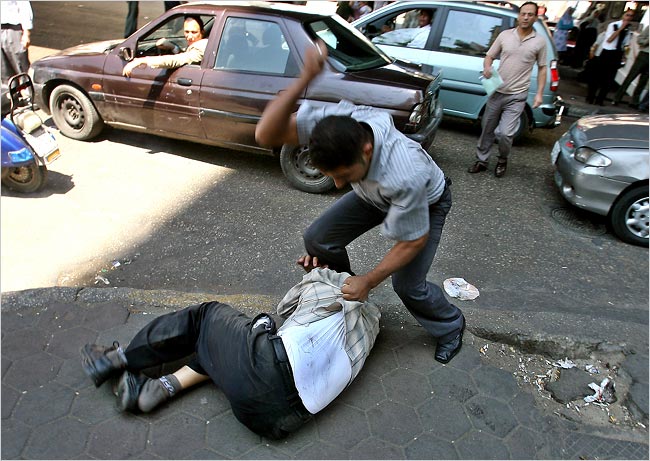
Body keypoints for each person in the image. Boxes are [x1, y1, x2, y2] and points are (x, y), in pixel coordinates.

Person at [255, 42, 466, 365]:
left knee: (407, 285)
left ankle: (450, 326)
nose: (338, 185)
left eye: (343, 175)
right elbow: (265, 134)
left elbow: (412, 241)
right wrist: (304, 77)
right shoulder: (337, 123)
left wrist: (369, 280)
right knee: (318, 238)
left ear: (366, 150)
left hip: (427, 200)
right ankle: (347, 290)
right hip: (373, 192)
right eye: (331, 176)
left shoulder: (404, 173)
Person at [80, 267, 380, 440]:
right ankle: (158, 389)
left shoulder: (328, 287)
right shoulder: (370, 330)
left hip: (268, 369)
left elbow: (285, 307)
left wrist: (315, 272)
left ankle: (119, 359)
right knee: (222, 352)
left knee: (207, 318)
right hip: (278, 422)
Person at [467, 1, 547, 178]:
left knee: (505, 133)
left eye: (530, 14)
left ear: (535, 17)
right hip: (497, 91)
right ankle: (481, 160)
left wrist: (540, 93)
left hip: (517, 95)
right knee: (487, 128)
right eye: (523, 13)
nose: (526, 17)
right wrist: (487, 67)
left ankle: (502, 159)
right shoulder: (505, 35)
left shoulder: (540, 42)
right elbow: (489, 56)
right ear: (518, 16)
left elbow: (542, 68)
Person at [122, 15, 208, 77]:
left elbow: (177, 60)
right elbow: (186, 55)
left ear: (202, 32)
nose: (189, 37)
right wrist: (174, 48)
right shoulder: (205, 43)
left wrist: (142, 60)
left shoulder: (201, 47)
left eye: (194, 32)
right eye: (186, 32)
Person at [586, 9, 634, 106]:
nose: (628, 18)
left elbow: (626, 44)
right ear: (623, 16)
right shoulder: (614, 25)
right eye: (627, 15)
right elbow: (609, 39)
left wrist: (624, 55)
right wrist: (620, 29)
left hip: (617, 54)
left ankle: (600, 99)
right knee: (598, 76)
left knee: (608, 79)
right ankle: (590, 97)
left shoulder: (628, 29)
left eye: (631, 16)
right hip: (607, 52)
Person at [613, 25, 649, 108]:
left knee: (643, 80)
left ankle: (634, 101)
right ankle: (617, 97)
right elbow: (640, 39)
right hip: (644, 54)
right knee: (631, 76)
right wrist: (647, 41)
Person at [1, 0, 33, 84]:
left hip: (14, 27)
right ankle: (10, 93)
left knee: (21, 63)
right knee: (3, 67)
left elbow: (24, 7)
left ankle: (29, 91)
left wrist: (26, 33)